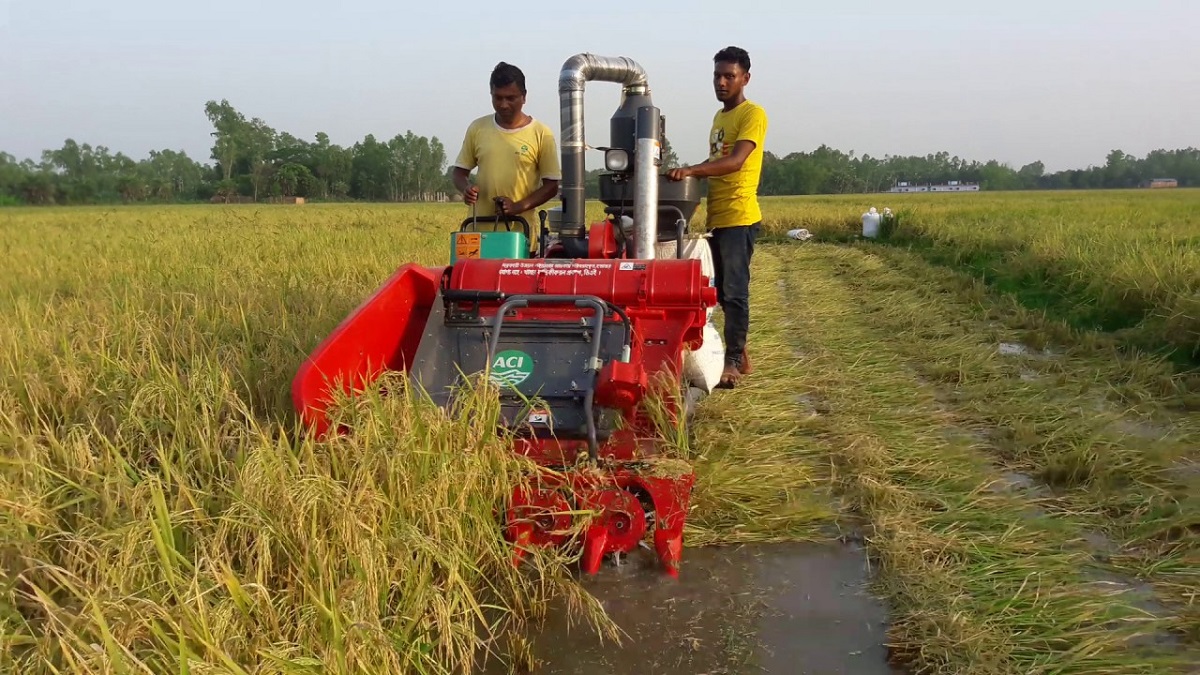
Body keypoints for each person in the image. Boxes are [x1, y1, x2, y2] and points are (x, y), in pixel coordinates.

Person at [667, 46, 768, 389]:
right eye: (717, 75)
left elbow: (736, 161)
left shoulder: (752, 114)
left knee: (736, 292)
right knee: (722, 293)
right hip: (718, 215)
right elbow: (717, 159)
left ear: (746, 79)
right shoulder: (718, 118)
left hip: (740, 215)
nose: (721, 82)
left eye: (729, 76)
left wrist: (693, 170)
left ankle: (734, 361)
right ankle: (741, 352)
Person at [451, 62, 561, 231]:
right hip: (478, 231)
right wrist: (466, 188)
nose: (503, 104)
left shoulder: (541, 133)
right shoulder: (478, 128)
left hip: (519, 233)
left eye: (510, 98)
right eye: (498, 97)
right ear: (491, 94)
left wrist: (517, 207)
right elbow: (459, 172)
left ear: (524, 97)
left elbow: (551, 186)